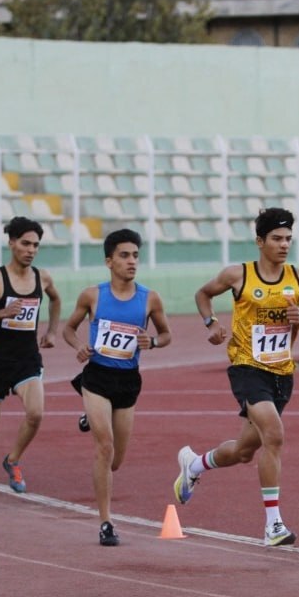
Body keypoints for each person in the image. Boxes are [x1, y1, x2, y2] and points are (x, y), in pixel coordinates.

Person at [173, 207, 299, 547]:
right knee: (274, 434)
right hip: (247, 368)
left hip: (281, 373)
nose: (284, 245)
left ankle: (195, 465)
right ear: (260, 241)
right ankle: (273, 526)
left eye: (288, 239)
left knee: (244, 451)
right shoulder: (238, 275)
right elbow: (203, 294)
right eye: (277, 239)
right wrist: (210, 323)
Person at [63, 228, 172, 546]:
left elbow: (167, 335)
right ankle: (106, 522)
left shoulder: (149, 298)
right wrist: (79, 346)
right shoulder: (92, 295)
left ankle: (89, 419)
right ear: (109, 261)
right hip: (96, 377)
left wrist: (151, 341)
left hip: (127, 381)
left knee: (116, 461)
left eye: (135, 255)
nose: (132, 261)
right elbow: (69, 329)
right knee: (104, 446)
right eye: (124, 255)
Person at [0, 216, 61, 510]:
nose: (31, 250)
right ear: (11, 243)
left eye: (35, 245)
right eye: (25, 243)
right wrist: (2, 314)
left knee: (35, 414)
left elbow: (55, 300)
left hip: (27, 359)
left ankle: (13, 459)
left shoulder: (42, 277)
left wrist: (52, 331)